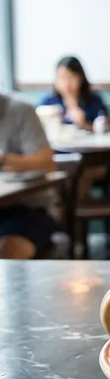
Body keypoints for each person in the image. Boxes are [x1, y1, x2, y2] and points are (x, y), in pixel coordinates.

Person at [0, 94, 57, 259]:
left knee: (6, 252)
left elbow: (47, 162)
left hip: (27, 209)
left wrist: (4, 159)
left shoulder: (20, 110)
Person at [39, 56, 109, 130]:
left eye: (71, 77)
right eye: (61, 77)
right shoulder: (48, 102)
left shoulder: (94, 100)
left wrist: (84, 123)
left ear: (80, 78)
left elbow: (105, 129)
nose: (66, 83)